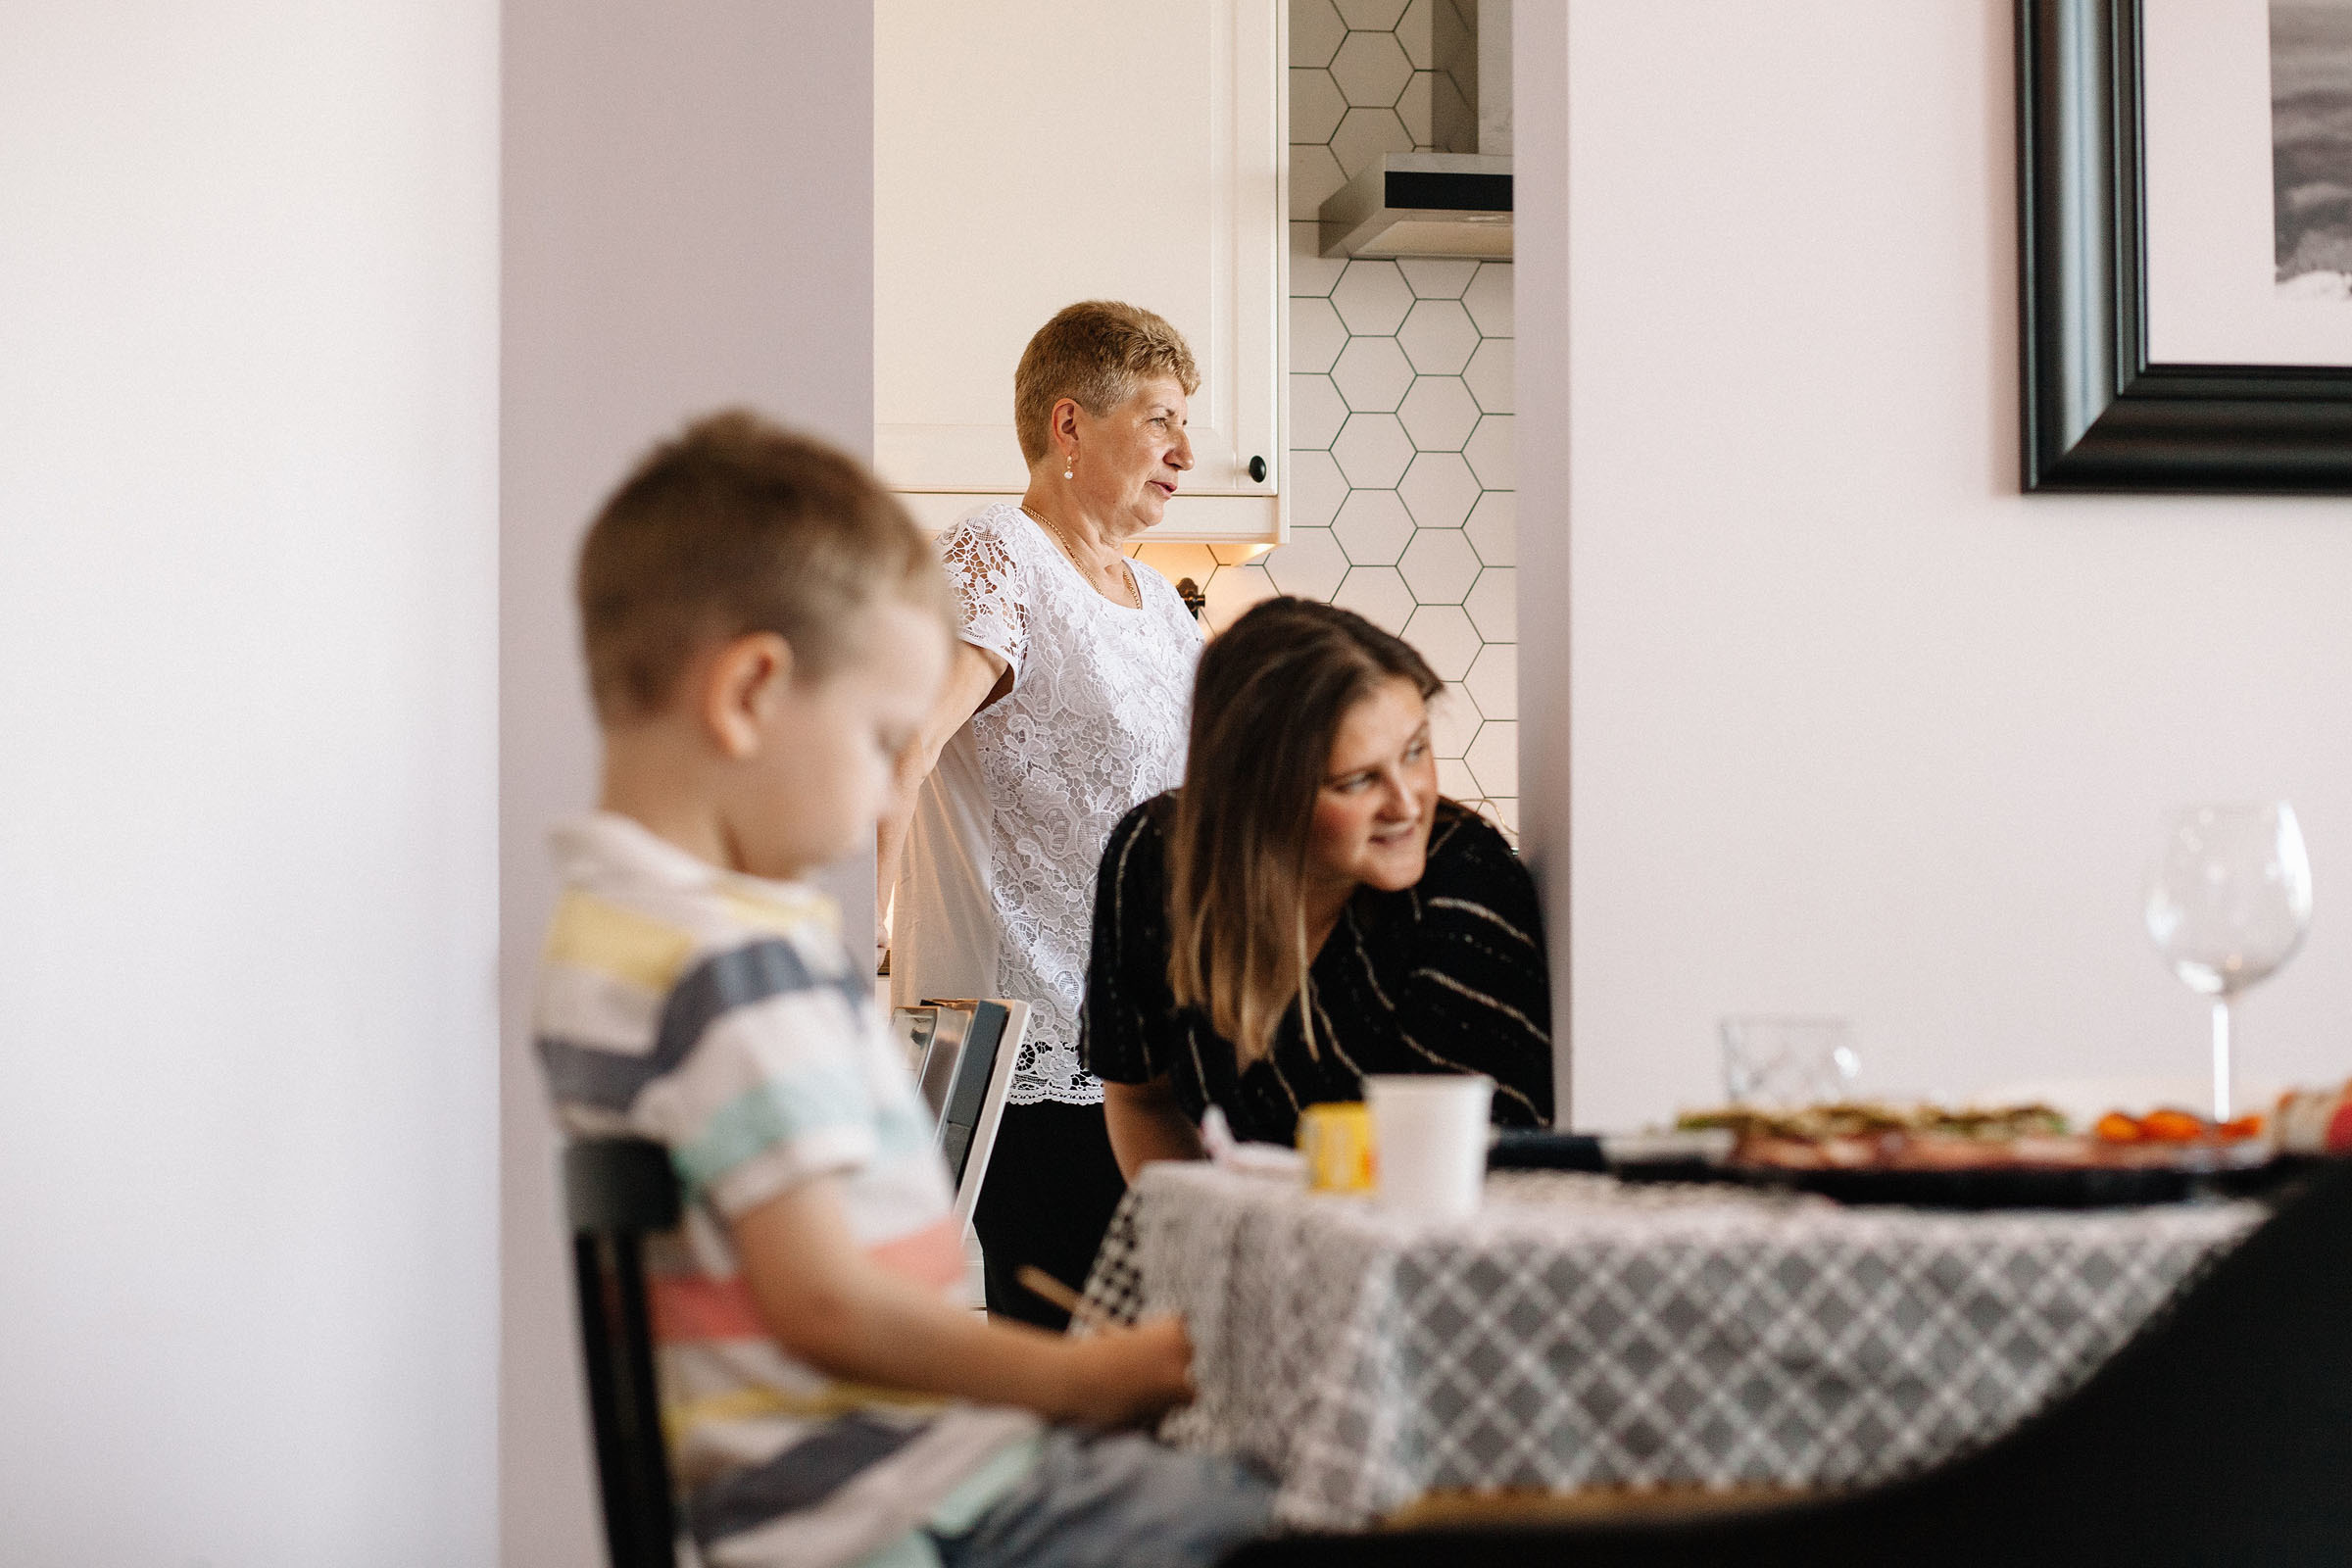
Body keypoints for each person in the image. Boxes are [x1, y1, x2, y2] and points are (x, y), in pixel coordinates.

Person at [535, 412, 1271, 1568]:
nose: (898, 780)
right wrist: (1079, 1377)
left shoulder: (610, 931)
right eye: (885, 739)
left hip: (846, 1494)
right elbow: (827, 1305)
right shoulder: (730, 968)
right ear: (750, 696)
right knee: (1297, 1518)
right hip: (913, 1510)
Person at [881, 301, 1205, 1327]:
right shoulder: (995, 554)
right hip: (1028, 1065)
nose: (1186, 452)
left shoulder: (1161, 608)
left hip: (1151, 1056)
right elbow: (903, 750)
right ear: (1069, 425)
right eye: (1159, 419)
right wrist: (856, 954)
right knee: (1065, 1378)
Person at [1082, 597, 1553, 1171]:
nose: (1408, 804)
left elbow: (1461, 1172)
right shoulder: (1154, 860)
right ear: (1256, 796)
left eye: (1415, 750)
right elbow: (1143, 1101)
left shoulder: (1466, 889)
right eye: (1357, 782)